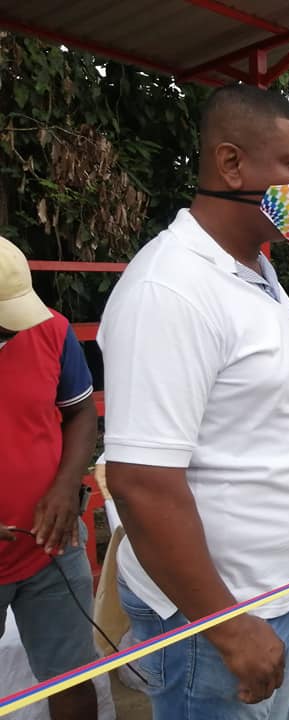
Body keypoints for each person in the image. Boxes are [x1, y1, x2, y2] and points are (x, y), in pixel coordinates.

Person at [97, 83, 289, 719]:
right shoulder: (171, 290)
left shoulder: (256, 274)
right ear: (231, 164)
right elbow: (142, 483)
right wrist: (227, 626)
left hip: (270, 598)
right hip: (217, 620)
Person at [0, 236, 99, 720]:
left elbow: (80, 413)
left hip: (51, 547)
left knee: (74, 681)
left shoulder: (51, 330)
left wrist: (64, 485)